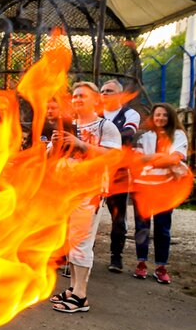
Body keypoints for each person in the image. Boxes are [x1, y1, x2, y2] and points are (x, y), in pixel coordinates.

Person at [49, 82, 121, 313]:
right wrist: (55, 146)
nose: (77, 99)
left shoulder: (105, 127)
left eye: (83, 95)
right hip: (65, 190)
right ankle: (73, 288)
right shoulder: (68, 124)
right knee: (71, 241)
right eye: (75, 96)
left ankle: (80, 296)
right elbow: (50, 155)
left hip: (88, 192)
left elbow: (114, 157)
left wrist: (80, 144)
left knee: (81, 242)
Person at [132, 103, 187, 284]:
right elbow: (136, 161)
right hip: (143, 188)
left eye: (164, 115)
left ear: (170, 117)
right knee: (142, 228)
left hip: (165, 189)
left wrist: (151, 160)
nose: (160, 118)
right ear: (153, 117)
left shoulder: (178, 135)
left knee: (163, 229)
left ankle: (161, 267)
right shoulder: (145, 136)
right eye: (157, 115)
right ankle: (141, 263)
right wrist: (162, 160)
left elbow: (174, 157)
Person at [99, 80, 140, 273]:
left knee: (117, 215)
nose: (105, 93)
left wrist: (102, 141)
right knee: (86, 213)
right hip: (96, 170)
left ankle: (116, 257)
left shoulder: (130, 114)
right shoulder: (96, 114)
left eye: (110, 91)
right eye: (103, 91)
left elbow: (128, 135)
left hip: (119, 172)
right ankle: (79, 253)